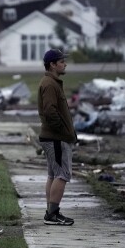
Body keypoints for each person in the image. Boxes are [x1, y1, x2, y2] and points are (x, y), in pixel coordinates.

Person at [38, 48, 78, 226]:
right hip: (56, 138)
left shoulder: (51, 82)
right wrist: (62, 131)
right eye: (61, 61)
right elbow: (49, 111)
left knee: (54, 174)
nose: (65, 64)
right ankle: (52, 214)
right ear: (52, 64)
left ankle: (51, 212)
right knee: (62, 174)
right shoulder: (50, 84)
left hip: (53, 137)